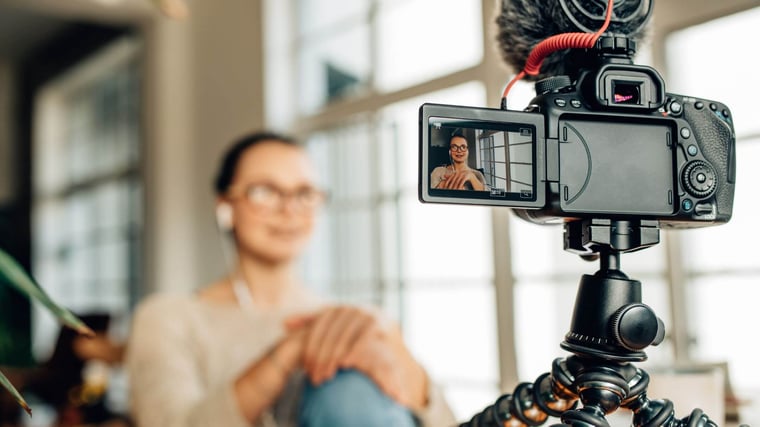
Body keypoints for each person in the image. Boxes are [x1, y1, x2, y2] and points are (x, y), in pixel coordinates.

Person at [124, 131, 455, 427]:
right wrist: (293, 350)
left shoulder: (351, 321)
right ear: (225, 205)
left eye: (305, 193)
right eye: (265, 191)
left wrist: (392, 347)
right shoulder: (169, 318)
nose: (289, 209)